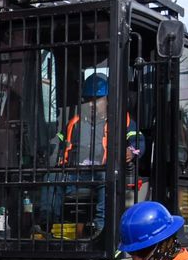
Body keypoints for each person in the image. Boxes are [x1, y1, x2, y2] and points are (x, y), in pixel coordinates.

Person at [56, 73, 142, 236]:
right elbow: (59, 140)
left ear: (108, 99)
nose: (92, 104)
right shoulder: (75, 122)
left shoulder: (121, 120)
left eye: (97, 99)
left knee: (106, 177)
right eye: (88, 100)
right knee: (52, 178)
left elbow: (137, 140)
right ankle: (51, 224)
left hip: (103, 171)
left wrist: (132, 151)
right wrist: (55, 151)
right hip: (77, 173)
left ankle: (101, 227)